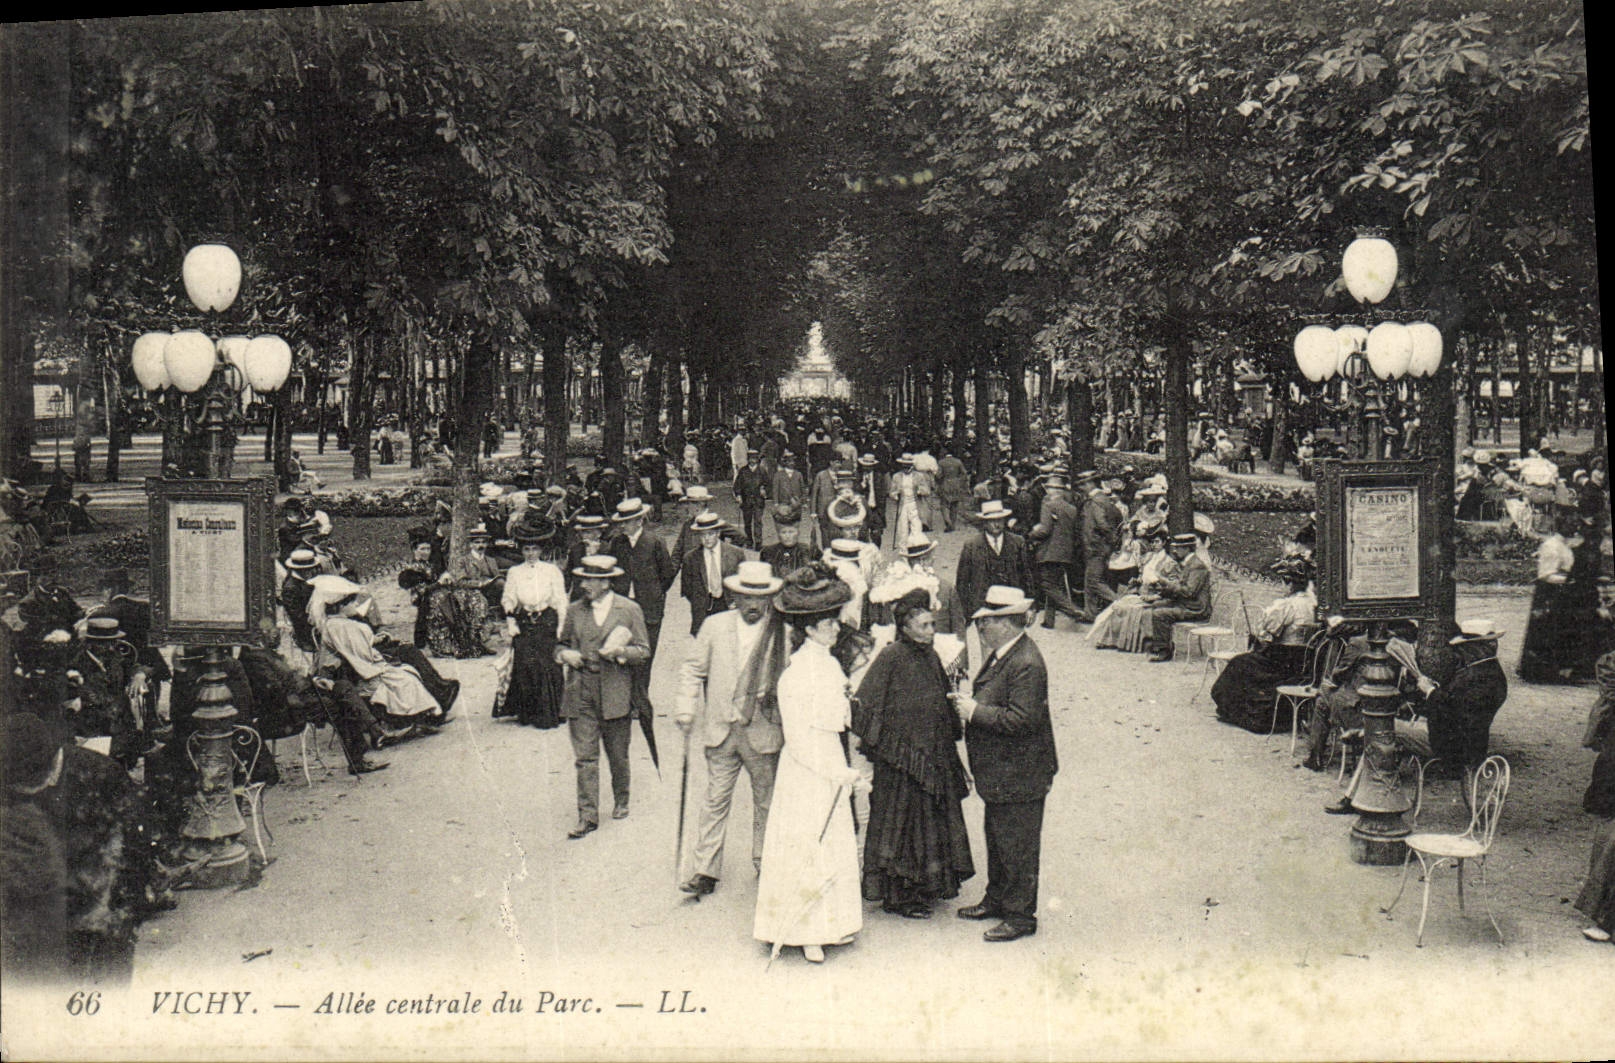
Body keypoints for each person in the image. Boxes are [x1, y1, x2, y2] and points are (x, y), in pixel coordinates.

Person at [752, 563, 863, 964]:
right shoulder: (795, 676)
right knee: (805, 845)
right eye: (830, 623)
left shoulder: (830, 664)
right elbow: (799, 741)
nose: (837, 629)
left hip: (829, 756)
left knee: (832, 842)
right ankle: (804, 931)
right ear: (811, 629)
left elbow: (839, 715)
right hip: (807, 770)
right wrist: (839, 772)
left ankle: (834, 922)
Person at [853, 588, 974, 919]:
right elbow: (864, 704)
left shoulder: (932, 656)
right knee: (901, 825)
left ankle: (927, 886)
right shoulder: (891, 656)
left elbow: (942, 697)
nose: (931, 631)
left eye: (932, 624)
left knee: (930, 822)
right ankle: (899, 895)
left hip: (933, 758)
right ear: (905, 627)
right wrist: (892, 746)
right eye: (923, 626)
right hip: (901, 764)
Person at [674, 561, 788, 896]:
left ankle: (765, 862)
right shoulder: (713, 626)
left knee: (766, 802)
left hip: (763, 731)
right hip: (721, 729)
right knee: (714, 799)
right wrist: (685, 707)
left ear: (770, 598)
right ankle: (704, 870)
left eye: (760, 597)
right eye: (745, 596)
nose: (753, 604)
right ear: (734, 596)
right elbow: (693, 669)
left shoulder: (782, 632)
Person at [951, 585, 1056, 942]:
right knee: (998, 838)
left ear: (1009, 623)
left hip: (1021, 772)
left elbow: (1022, 720)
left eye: (988, 622)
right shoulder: (1005, 653)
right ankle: (996, 899)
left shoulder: (1026, 663)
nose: (981, 629)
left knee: (1018, 845)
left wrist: (975, 711)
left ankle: (1020, 916)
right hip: (1002, 772)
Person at [555, 555, 651, 839]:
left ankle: (622, 797)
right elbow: (559, 645)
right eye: (583, 579)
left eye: (590, 580)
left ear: (605, 582)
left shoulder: (629, 609)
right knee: (585, 757)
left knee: (617, 754)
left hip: (615, 691)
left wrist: (620, 653)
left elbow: (643, 651)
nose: (584, 584)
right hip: (581, 689)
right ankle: (587, 816)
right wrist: (565, 654)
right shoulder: (575, 611)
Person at [310, 576, 453, 729]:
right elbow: (361, 654)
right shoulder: (346, 626)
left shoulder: (333, 624)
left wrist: (371, 641)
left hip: (357, 666)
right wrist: (376, 650)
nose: (355, 604)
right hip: (364, 670)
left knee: (407, 672)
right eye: (352, 601)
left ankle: (421, 715)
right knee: (406, 677)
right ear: (341, 606)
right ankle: (418, 717)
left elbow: (352, 648)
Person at [1211, 558, 1317, 733]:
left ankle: (1238, 712)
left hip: (1281, 661)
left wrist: (1259, 635)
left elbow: (1267, 634)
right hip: (1305, 662)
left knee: (1239, 663)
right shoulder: (1314, 604)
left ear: (1288, 583)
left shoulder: (1287, 605)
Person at [493, 515, 569, 729]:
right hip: (525, 619)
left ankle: (551, 711)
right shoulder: (515, 572)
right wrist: (511, 621)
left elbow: (560, 600)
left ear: (541, 550)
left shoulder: (552, 571)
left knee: (547, 663)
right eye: (526, 550)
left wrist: (562, 626)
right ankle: (528, 712)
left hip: (547, 619)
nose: (530, 554)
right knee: (526, 663)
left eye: (534, 549)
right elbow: (508, 598)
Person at [606, 498, 676, 723]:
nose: (623, 526)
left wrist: (654, 594)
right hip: (624, 609)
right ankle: (626, 702)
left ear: (638, 521)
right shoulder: (617, 543)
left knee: (645, 655)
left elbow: (667, 574)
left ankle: (640, 702)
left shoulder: (655, 541)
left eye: (627, 522)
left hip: (650, 608)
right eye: (621, 523)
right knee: (624, 653)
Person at [1519, 510, 1588, 683]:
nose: (1575, 527)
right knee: (1548, 632)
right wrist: (1570, 580)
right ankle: (1544, 673)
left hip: (1561, 593)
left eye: (1576, 524)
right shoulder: (1552, 545)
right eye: (1571, 524)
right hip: (1550, 594)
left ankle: (1562, 670)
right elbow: (1546, 574)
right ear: (1561, 525)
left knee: (1562, 631)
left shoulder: (1565, 545)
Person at [953, 499, 1035, 621]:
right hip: (984, 607)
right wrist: (965, 612)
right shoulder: (972, 545)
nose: (996, 524)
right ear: (984, 523)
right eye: (992, 520)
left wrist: (1031, 607)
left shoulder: (1017, 542)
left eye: (999, 520)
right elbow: (963, 582)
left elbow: (1027, 576)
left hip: (1013, 604)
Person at [1142, 534, 1212, 662]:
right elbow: (1180, 587)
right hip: (1187, 604)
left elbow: (1189, 592)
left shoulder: (1197, 566)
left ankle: (1164, 651)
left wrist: (1165, 582)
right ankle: (1157, 643)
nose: (1175, 551)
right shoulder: (1188, 563)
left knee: (1160, 614)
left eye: (1178, 548)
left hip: (1195, 609)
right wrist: (1161, 589)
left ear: (1187, 549)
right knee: (1156, 605)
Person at [1029, 471, 1086, 628]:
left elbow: (1045, 530)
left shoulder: (1048, 505)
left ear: (1053, 490)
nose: (1047, 491)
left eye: (1048, 488)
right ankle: (1049, 620)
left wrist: (1032, 533)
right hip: (1066, 552)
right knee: (1055, 583)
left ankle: (1072, 610)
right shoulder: (1071, 508)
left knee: (1048, 585)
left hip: (1050, 551)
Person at [681, 511, 744, 637]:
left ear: (718, 533)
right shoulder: (691, 558)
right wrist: (699, 602)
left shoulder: (735, 553)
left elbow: (743, 582)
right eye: (703, 535)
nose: (707, 538)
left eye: (710, 534)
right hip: (704, 608)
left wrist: (735, 602)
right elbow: (687, 588)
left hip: (728, 605)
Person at [1079, 472, 1125, 621]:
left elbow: (1101, 524)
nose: (1082, 487)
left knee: (1094, 581)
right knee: (1089, 580)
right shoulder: (1106, 500)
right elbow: (1118, 518)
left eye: (1083, 484)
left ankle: (1121, 603)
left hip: (1096, 547)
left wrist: (1106, 540)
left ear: (1091, 484)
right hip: (1101, 547)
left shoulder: (1095, 502)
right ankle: (1090, 614)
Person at [760, 504, 813, 580]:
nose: (787, 536)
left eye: (791, 532)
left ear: (798, 532)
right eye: (783, 532)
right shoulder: (768, 552)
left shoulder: (806, 551)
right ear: (778, 534)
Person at [734, 448, 769, 549]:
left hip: (758, 501)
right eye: (750, 458)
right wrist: (738, 496)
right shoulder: (743, 471)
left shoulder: (762, 470)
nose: (752, 460)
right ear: (747, 459)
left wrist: (764, 490)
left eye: (754, 458)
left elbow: (768, 484)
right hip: (746, 501)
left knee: (758, 521)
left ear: (757, 459)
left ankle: (758, 542)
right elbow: (737, 485)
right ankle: (749, 540)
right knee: (747, 522)